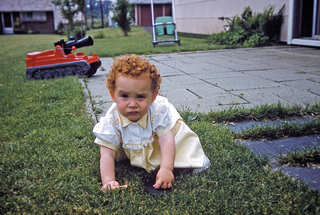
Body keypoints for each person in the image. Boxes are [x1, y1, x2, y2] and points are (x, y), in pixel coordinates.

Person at [92, 54, 210, 192]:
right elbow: (107, 153)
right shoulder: (112, 119)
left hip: (163, 146)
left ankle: (178, 162)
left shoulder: (157, 112)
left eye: (140, 97)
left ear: (153, 96)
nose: (132, 104)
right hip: (136, 144)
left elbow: (166, 140)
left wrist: (166, 169)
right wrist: (108, 180)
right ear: (113, 95)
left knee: (187, 159)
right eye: (124, 96)